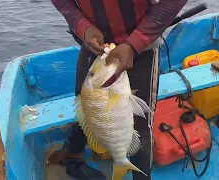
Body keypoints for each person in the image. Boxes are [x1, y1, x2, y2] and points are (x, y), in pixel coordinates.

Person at [49, 0, 188, 179]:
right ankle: (74, 149)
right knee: (84, 100)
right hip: (95, 45)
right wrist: (82, 26)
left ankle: (141, 175)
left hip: (141, 46)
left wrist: (134, 43)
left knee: (141, 124)